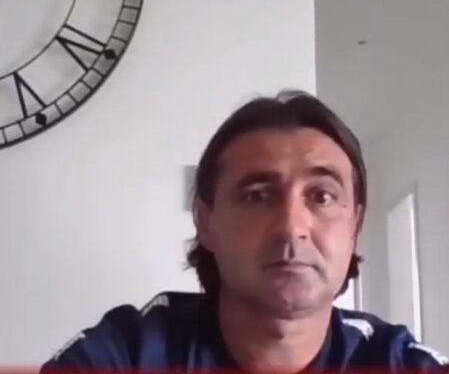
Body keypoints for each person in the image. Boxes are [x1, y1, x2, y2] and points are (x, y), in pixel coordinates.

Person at [40, 90, 448, 373]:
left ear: (355, 225)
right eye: (257, 196)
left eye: (322, 196)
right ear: (207, 222)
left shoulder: (404, 365)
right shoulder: (129, 353)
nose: (292, 227)